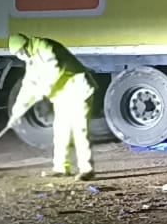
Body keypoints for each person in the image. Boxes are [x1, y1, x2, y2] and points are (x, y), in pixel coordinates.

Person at [7, 32, 99, 180]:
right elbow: (28, 86)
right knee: (61, 132)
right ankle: (61, 168)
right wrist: (17, 112)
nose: (19, 55)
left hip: (79, 91)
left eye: (19, 52)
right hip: (62, 96)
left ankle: (87, 170)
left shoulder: (45, 47)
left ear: (25, 46)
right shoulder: (31, 59)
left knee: (79, 131)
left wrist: (42, 91)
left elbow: (54, 70)